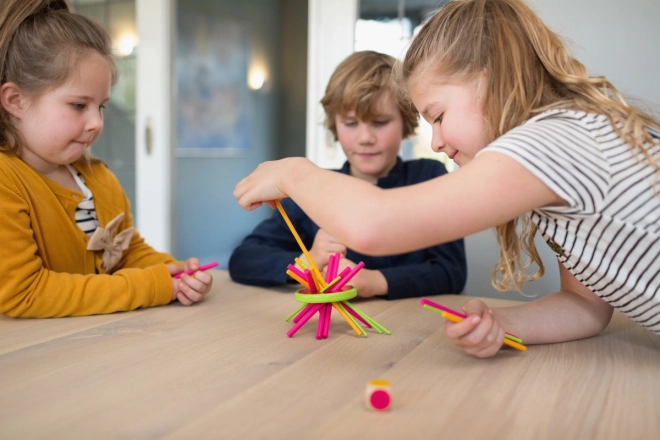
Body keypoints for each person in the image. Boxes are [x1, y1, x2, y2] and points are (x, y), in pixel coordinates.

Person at [234, 0, 660, 357]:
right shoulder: (564, 153)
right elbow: (586, 306)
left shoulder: (557, 141)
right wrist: (500, 321)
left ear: (493, 80)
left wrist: (292, 171)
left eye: (438, 116)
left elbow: (374, 225)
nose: (435, 142)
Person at [0, 0, 213, 318]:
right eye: (78, 105)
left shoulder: (98, 178)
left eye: (101, 106)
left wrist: (173, 272)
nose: (96, 122)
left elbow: (128, 253)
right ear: (15, 100)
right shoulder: (7, 180)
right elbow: (24, 292)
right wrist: (151, 286)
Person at [229, 50, 466, 299]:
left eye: (380, 122)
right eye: (351, 124)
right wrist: (308, 261)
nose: (365, 139)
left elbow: (451, 272)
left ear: (405, 122)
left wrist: (374, 281)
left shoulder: (429, 176)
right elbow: (243, 259)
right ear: (335, 125)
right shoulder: (310, 191)